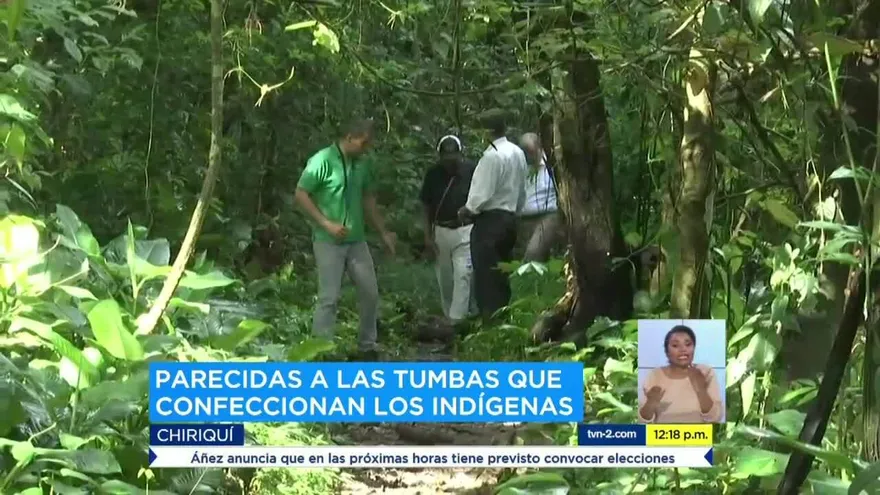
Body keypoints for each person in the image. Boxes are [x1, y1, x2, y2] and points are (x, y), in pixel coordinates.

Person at [294, 119, 396, 360]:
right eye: (363, 143)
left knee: (370, 293)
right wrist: (326, 223)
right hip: (328, 241)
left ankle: (367, 347)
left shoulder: (362, 164)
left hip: (356, 241)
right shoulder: (322, 160)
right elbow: (301, 194)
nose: (366, 148)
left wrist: (383, 232)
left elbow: (368, 199)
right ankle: (320, 351)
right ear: (349, 137)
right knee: (329, 298)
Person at [458, 111, 528, 320]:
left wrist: (467, 210)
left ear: (485, 132)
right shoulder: (517, 152)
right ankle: (504, 316)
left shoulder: (491, 156)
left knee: (486, 275)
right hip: (510, 220)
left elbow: (481, 193)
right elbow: (522, 189)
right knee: (502, 271)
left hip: (489, 223)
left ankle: (490, 319)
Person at [420, 135, 478, 324]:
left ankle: (456, 321)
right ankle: (449, 315)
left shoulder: (471, 170)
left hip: (464, 230)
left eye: (454, 157)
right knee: (445, 279)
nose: (450, 161)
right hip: (441, 231)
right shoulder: (433, 174)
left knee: (463, 274)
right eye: (446, 158)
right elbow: (425, 206)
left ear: (460, 154)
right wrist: (427, 236)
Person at [638, 325, 723, 423]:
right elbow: (642, 420)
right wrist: (651, 403)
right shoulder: (655, 375)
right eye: (675, 345)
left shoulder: (705, 372)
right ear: (667, 352)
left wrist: (701, 390)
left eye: (688, 344)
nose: (683, 349)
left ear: (694, 348)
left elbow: (716, 417)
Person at [518, 133, 563, 262]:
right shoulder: (520, 165)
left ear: (539, 148)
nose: (529, 157)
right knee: (534, 257)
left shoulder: (552, 163)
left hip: (548, 215)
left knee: (533, 253)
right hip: (524, 218)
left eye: (531, 152)